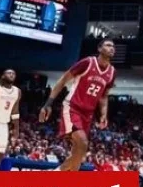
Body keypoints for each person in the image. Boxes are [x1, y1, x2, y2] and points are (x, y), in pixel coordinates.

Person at [39, 39, 117, 171]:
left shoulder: (112, 72)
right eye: (108, 45)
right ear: (99, 49)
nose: (112, 48)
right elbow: (63, 80)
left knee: (79, 153)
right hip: (72, 108)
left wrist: (103, 114)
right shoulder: (88, 62)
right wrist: (48, 104)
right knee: (83, 143)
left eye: (113, 46)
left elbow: (104, 96)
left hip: (88, 114)